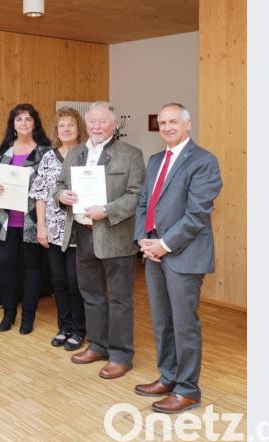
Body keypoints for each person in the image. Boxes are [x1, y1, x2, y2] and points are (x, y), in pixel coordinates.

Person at [133, 103, 222, 414]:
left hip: (183, 255)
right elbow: (145, 202)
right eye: (162, 122)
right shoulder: (156, 160)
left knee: (184, 324)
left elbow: (197, 213)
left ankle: (188, 389)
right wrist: (143, 240)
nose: (167, 127)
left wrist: (164, 244)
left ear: (188, 125)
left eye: (173, 121)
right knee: (162, 320)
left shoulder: (204, 161)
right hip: (153, 253)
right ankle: (168, 376)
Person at [52, 101, 145, 379]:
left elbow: (136, 195)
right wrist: (61, 196)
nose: (97, 127)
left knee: (119, 299)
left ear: (114, 125)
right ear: (86, 124)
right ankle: (97, 345)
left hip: (115, 236)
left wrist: (107, 210)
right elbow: (59, 185)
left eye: (103, 122)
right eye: (92, 121)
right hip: (82, 234)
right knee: (91, 295)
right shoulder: (76, 153)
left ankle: (120, 355)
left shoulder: (131, 154)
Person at [0, 104, 51, 335]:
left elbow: (49, 185)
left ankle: (28, 316)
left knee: (32, 268)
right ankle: (9, 313)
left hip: (33, 221)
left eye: (28, 119)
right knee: (7, 268)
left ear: (35, 123)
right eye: (19, 119)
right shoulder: (4, 151)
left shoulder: (45, 152)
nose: (23, 123)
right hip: (6, 222)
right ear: (12, 125)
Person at [30, 107, 88, 350]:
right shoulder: (48, 157)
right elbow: (40, 195)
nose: (66, 129)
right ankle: (63, 327)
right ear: (57, 130)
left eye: (71, 125)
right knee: (58, 281)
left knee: (76, 282)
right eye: (62, 125)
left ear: (78, 129)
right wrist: (41, 227)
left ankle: (79, 329)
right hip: (52, 230)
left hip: (80, 229)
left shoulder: (87, 155)